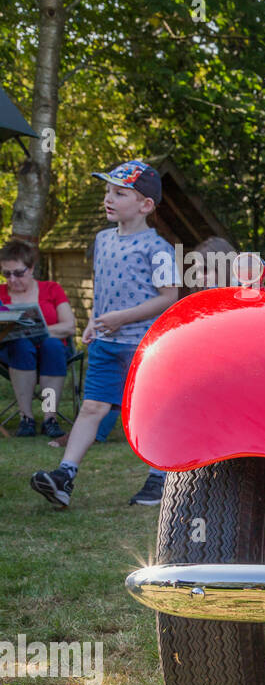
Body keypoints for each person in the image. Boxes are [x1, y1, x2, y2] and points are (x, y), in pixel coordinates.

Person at [30, 160, 179, 508]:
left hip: (142, 347)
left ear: (145, 205)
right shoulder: (101, 239)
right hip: (106, 342)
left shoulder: (157, 249)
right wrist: (94, 322)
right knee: (92, 408)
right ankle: (64, 476)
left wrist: (120, 319)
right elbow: (104, 289)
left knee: (148, 412)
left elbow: (169, 297)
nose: (109, 199)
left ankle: (160, 478)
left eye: (120, 193)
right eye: (108, 192)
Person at [1, 240, 75, 437]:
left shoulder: (51, 289)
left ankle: (50, 417)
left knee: (51, 345)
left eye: (18, 273)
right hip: (15, 353)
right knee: (21, 345)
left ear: (31, 268)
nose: (12, 279)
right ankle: (27, 418)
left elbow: (69, 325)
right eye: (6, 274)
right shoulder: (1, 294)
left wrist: (40, 331)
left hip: (52, 349)